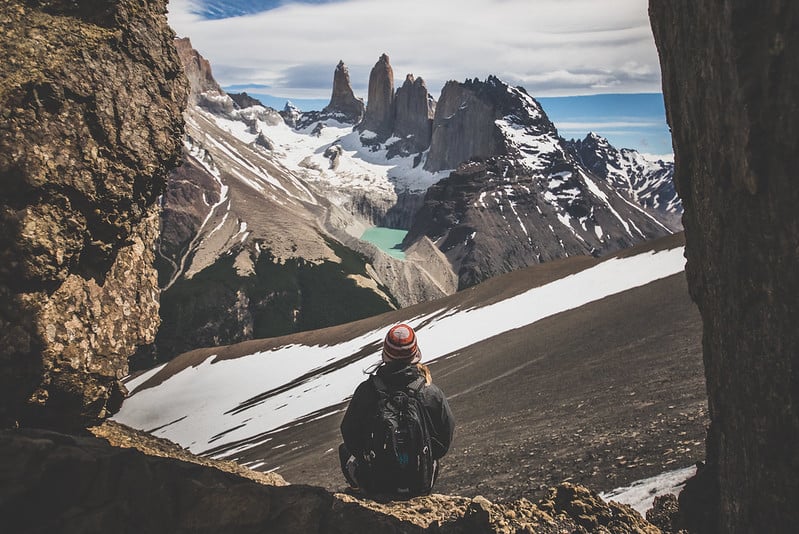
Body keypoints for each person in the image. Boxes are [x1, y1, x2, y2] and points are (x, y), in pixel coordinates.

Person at [339, 323, 455, 497]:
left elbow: (349, 432)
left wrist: (368, 456)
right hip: (419, 485)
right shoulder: (431, 393)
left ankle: (359, 489)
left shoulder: (367, 391)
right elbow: (444, 438)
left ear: (385, 354)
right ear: (415, 354)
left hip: (377, 484)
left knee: (344, 450)